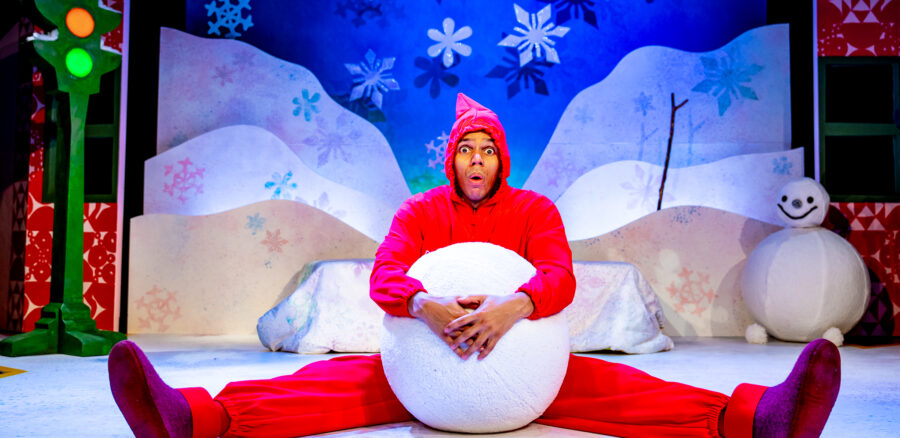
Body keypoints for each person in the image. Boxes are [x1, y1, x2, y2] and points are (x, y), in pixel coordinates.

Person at [108, 93, 841, 438]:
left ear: (502, 158)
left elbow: (558, 278)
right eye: (467, 149)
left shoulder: (534, 213)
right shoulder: (421, 213)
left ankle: (757, 417)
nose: (478, 160)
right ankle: (194, 416)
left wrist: (508, 311)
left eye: (488, 148)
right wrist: (428, 309)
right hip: (421, 362)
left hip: (526, 365)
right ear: (452, 159)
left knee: (625, 390)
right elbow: (384, 277)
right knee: (319, 385)